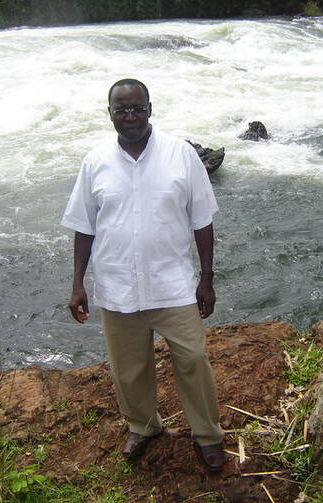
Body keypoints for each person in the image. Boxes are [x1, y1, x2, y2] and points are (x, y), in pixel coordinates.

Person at [61, 78, 225, 472]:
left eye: (137, 108)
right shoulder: (95, 161)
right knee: (129, 368)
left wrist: (206, 277)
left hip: (173, 284)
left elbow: (202, 220)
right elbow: (85, 226)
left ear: (150, 109)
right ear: (110, 113)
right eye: (122, 110)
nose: (130, 116)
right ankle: (144, 426)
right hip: (118, 285)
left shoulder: (181, 155)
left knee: (193, 358)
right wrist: (77, 282)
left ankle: (207, 435)